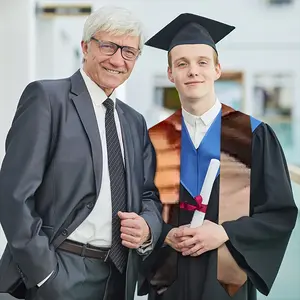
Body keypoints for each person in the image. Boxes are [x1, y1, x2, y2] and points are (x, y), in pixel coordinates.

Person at [0, 6, 162, 300]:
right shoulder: (48, 100)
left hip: (117, 276)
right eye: (108, 46)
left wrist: (148, 227)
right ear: (85, 47)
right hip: (59, 271)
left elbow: (149, 193)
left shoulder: (134, 122)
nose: (117, 60)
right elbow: (14, 195)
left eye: (129, 52)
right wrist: (44, 273)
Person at [138, 13, 298, 300]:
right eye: (182, 64)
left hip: (226, 282)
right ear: (170, 74)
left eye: (202, 62)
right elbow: (138, 204)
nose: (193, 71)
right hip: (168, 283)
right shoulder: (154, 139)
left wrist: (226, 233)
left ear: (217, 69)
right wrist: (163, 235)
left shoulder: (253, 135)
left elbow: (279, 212)